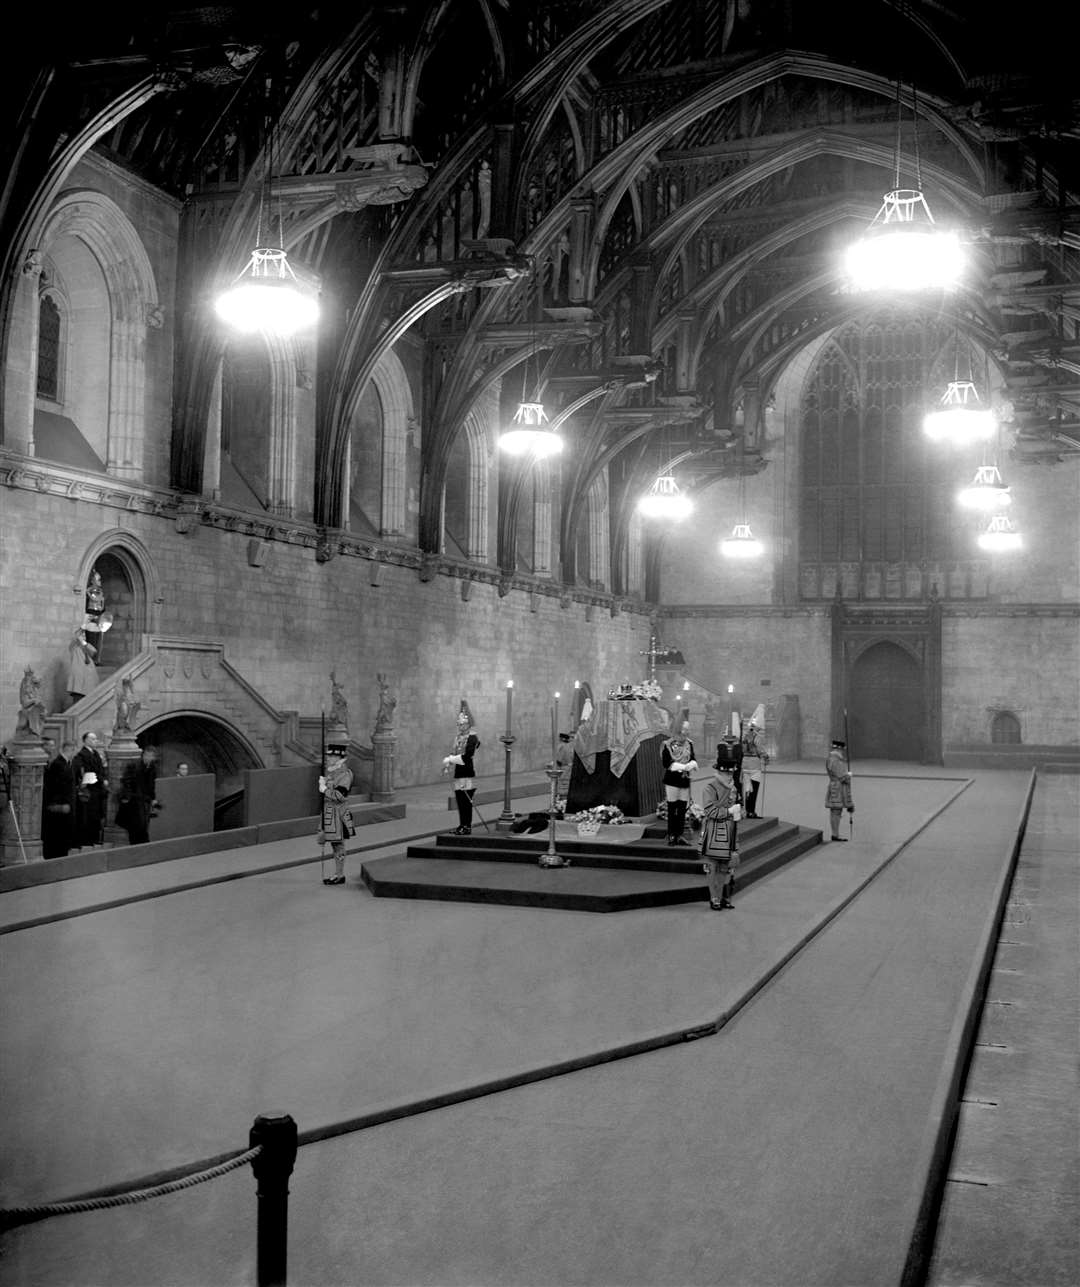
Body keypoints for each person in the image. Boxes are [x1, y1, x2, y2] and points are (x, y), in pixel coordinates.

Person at [699, 748, 744, 910]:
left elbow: (736, 805)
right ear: (720, 772)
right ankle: (714, 898)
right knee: (713, 866)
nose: (730, 776)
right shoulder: (710, 788)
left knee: (725, 867)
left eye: (732, 773)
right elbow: (709, 810)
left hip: (730, 830)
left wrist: (739, 812)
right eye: (727, 774)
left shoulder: (733, 788)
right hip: (714, 831)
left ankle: (722, 896)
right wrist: (729, 811)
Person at [318, 740, 354, 885]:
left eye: (331, 756)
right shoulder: (331, 772)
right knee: (334, 844)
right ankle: (338, 873)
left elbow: (340, 795)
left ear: (339, 758)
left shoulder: (345, 774)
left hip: (338, 814)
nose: (328, 758)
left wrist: (324, 789)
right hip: (329, 813)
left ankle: (339, 874)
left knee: (338, 844)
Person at [442, 701, 479, 835]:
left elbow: (467, 756)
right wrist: (449, 762)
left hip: (466, 771)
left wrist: (450, 759)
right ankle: (461, 824)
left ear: (468, 724)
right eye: (459, 724)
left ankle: (467, 826)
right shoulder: (458, 737)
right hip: (458, 772)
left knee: (465, 800)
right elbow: (455, 753)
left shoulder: (472, 738)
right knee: (459, 799)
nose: (460, 726)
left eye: (462, 724)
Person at [660, 719, 698, 846]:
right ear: (679, 730)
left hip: (684, 779)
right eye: (685, 729)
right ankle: (671, 835)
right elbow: (666, 763)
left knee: (682, 809)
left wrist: (692, 764)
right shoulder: (668, 744)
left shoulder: (689, 744)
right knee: (672, 809)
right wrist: (683, 767)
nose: (688, 732)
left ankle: (679, 835)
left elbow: (692, 758)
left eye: (688, 729)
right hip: (672, 779)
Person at [73, 731, 110, 849]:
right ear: (86, 740)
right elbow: (87, 772)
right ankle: (87, 840)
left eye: (96, 739)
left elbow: (100, 770)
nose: (96, 741)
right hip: (89, 790)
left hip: (97, 790)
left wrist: (103, 778)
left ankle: (94, 838)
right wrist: (101, 779)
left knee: (96, 816)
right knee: (88, 816)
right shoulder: (82, 755)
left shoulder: (96, 754)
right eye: (93, 739)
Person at [42, 741, 78, 859]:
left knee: (64, 834)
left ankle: (61, 855)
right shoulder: (58, 764)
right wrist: (59, 804)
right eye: (74, 750)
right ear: (70, 750)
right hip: (59, 806)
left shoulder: (67, 763)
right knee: (57, 834)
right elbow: (55, 786)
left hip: (66, 805)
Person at [116, 747, 159, 845]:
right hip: (134, 800)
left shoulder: (153, 768)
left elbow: (152, 785)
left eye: (151, 756)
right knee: (135, 826)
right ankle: (136, 846)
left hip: (145, 801)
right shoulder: (134, 766)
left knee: (143, 825)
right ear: (143, 755)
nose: (148, 758)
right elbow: (126, 781)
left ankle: (142, 846)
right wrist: (128, 796)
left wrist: (153, 798)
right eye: (147, 755)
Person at [740, 706, 770, 818]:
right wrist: (766, 757)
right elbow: (760, 750)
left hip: (744, 763)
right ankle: (751, 811)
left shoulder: (745, 736)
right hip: (754, 765)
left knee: (747, 788)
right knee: (754, 789)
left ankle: (747, 810)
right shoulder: (757, 737)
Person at [825, 738, 854, 841]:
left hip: (835, 786)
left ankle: (835, 834)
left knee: (836, 811)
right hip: (838, 788)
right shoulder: (835, 760)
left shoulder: (832, 758)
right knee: (836, 811)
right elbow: (842, 777)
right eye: (842, 750)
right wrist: (849, 775)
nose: (843, 752)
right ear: (839, 749)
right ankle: (835, 835)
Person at [67, 627, 98, 705]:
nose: (83, 637)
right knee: (78, 701)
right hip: (79, 679)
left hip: (88, 679)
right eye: (81, 635)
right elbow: (75, 637)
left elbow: (93, 652)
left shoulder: (87, 646)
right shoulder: (74, 647)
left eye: (84, 636)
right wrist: (82, 629)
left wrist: (83, 642)